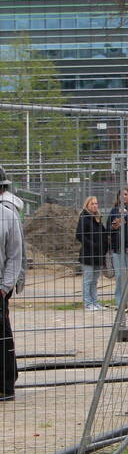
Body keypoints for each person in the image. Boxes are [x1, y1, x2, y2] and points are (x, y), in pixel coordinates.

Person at [1, 166, 25, 402]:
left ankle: (6, 383)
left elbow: (15, 255)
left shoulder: (8, 215)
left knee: (2, 334)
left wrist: (5, 287)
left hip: (0, 288)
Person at [107, 187, 128, 309]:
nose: (124, 197)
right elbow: (108, 228)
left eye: (126, 194)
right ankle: (120, 302)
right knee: (120, 276)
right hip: (117, 249)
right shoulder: (114, 211)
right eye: (121, 195)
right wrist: (115, 226)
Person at [76, 195, 110, 311]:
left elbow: (104, 234)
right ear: (87, 205)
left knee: (95, 280)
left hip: (98, 255)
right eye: (92, 204)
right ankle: (87, 303)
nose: (95, 206)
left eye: (96, 203)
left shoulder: (98, 218)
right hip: (88, 255)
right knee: (88, 279)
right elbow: (79, 235)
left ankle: (95, 302)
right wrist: (92, 245)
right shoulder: (84, 217)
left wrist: (104, 247)